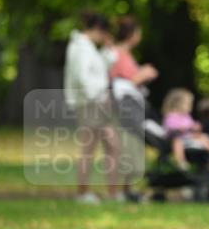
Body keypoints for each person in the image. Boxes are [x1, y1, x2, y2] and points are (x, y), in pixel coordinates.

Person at [63, 11, 121, 204]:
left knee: (110, 145)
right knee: (90, 148)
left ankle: (112, 192)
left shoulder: (88, 48)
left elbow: (98, 70)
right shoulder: (80, 47)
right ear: (98, 30)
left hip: (96, 102)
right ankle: (82, 193)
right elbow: (82, 78)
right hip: (90, 104)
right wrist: (97, 97)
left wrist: (108, 51)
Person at [110, 16, 159, 202]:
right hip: (124, 109)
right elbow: (120, 84)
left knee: (133, 148)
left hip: (133, 106)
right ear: (131, 34)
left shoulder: (127, 54)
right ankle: (117, 192)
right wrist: (143, 74)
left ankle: (127, 189)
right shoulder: (115, 54)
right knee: (123, 149)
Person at [161, 88, 209, 201]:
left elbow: (194, 126)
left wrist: (195, 128)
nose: (190, 107)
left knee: (204, 137)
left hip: (191, 140)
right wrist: (187, 128)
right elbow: (172, 130)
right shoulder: (171, 116)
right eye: (188, 104)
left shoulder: (187, 117)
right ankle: (181, 162)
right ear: (179, 103)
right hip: (180, 142)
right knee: (177, 140)